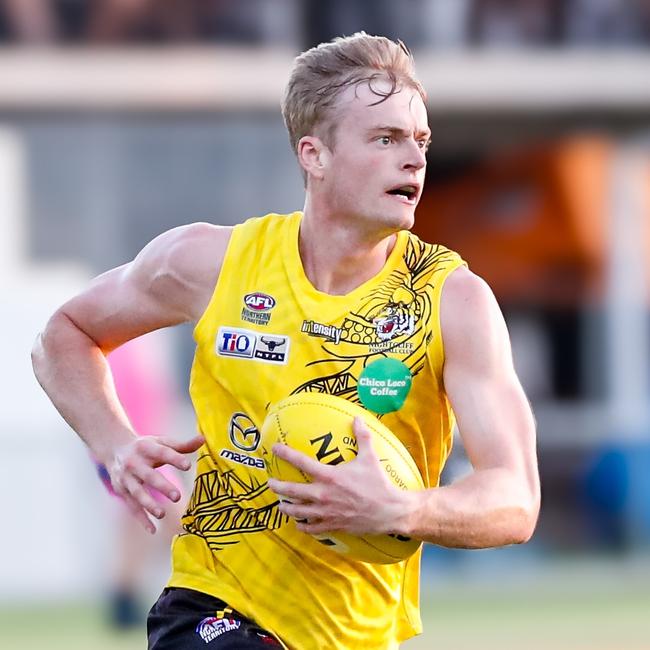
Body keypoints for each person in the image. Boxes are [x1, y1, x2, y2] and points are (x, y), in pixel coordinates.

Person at [32, 32, 540, 649]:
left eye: (420, 140)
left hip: (356, 633)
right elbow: (65, 333)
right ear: (314, 154)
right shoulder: (210, 263)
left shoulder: (453, 301)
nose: (414, 159)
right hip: (211, 606)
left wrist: (399, 511)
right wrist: (114, 445)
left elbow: (515, 499)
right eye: (385, 138)